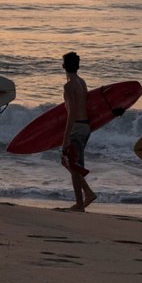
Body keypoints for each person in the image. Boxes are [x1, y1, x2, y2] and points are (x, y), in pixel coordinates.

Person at [60, 51, 97, 211]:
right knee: (69, 162)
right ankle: (87, 193)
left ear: (63, 66)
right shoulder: (82, 82)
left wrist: (66, 136)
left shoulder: (68, 86)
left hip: (76, 127)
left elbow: (72, 112)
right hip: (85, 126)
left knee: (73, 164)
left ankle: (80, 203)